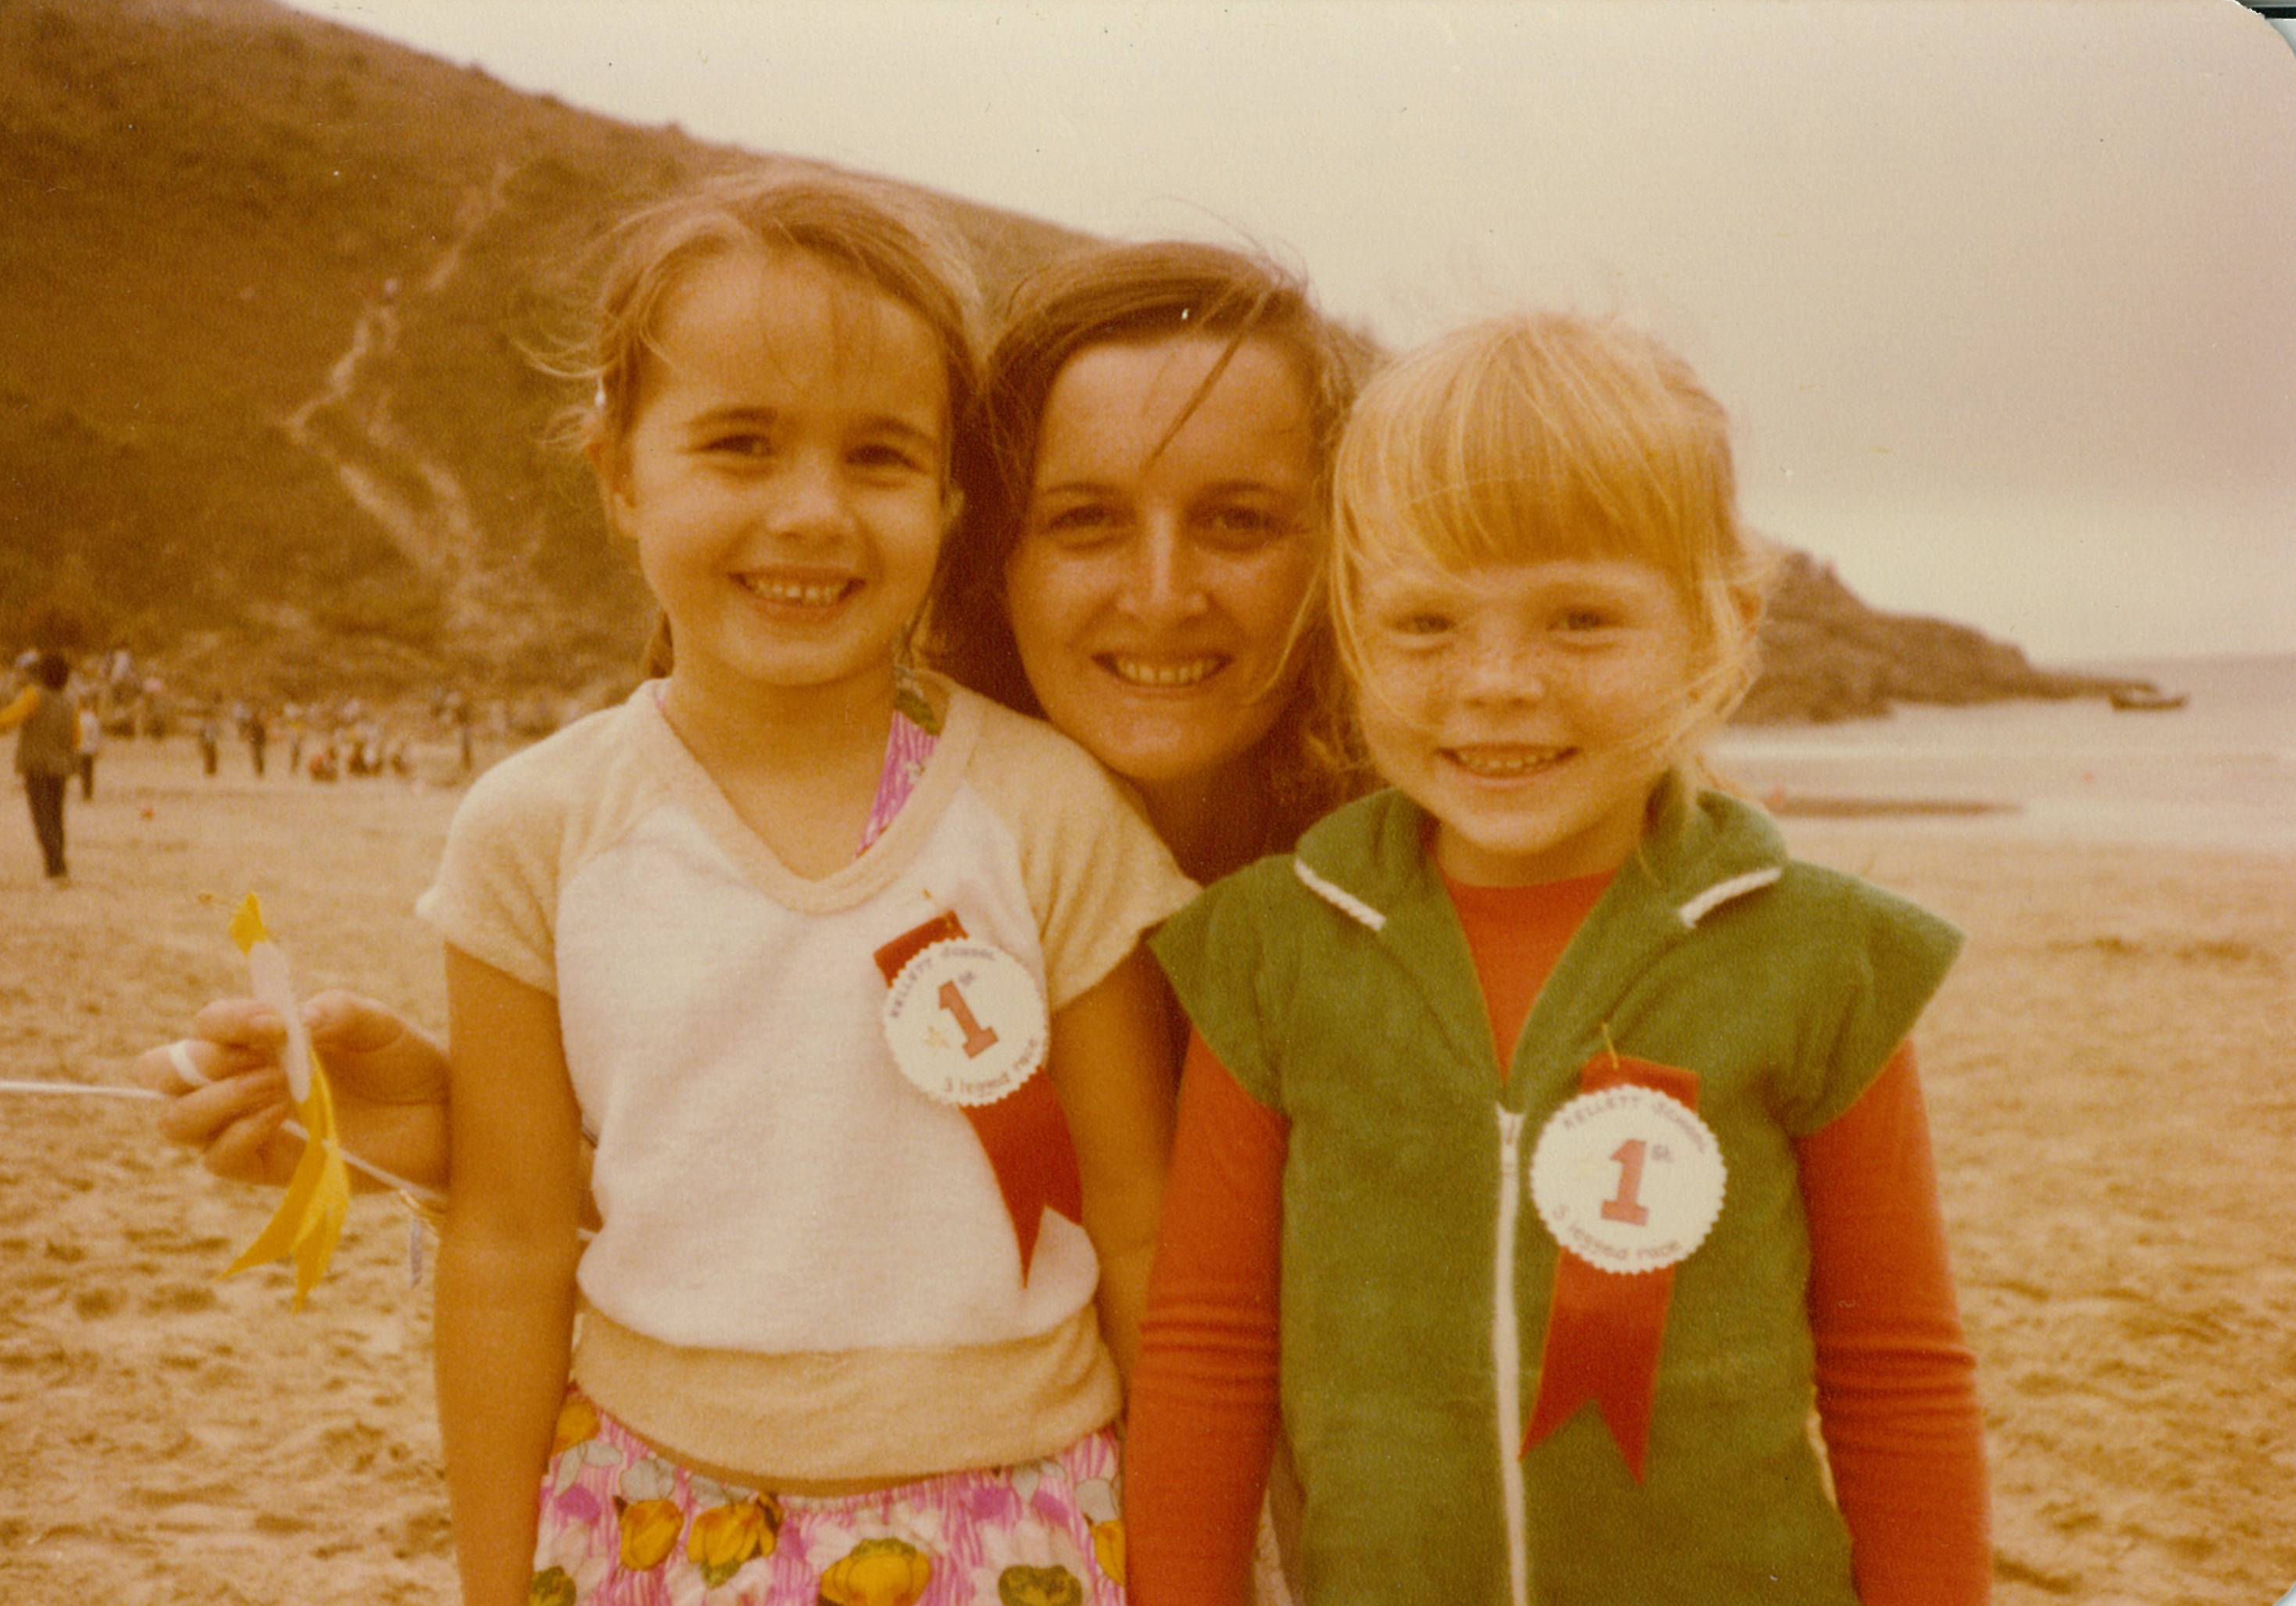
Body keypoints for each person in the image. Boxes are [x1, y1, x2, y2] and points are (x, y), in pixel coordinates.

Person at [136, 235, 1367, 1596]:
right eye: (1084, 518)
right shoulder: (554, 826)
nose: (811, 516)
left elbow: (1145, 1251)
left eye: (1240, 519)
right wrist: (443, 1130)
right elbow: (616, 1200)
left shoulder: (1169, 848)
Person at [1124, 313, 1990, 1604]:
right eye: (1424, 627)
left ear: (1717, 628)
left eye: (1580, 621)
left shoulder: (1825, 960)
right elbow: (1210, 1347)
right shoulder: (1271, 947)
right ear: (1354, 633)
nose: (1497, 682)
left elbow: (1897, 1370)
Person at [450, 170, 1201, 1606]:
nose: (812, 513)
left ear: (947, 498)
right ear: (618, 474)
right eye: (739, 446)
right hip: (646, 1519)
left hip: (1025, 1521)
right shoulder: (531, 831)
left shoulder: (1048, 815)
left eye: (878, 458)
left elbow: (1139, 1223)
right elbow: (506, 1242)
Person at [0, 648, 81, 881]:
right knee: (57, 819)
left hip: (37, 766)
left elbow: (10, 718)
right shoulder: (71, 702)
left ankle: (56, 869)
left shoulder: (33, 695)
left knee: (42, 819)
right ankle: (59, 867)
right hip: (61, 767)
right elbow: (76, 738)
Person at [75, 696, 102, 802]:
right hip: (90, 748)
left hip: (80, 748)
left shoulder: (78, 718)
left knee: (83, 772)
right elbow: (96, 734)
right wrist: (97, 747)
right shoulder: (93, 718)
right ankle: (89, 793)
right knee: (90, 772)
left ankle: (84, 793)